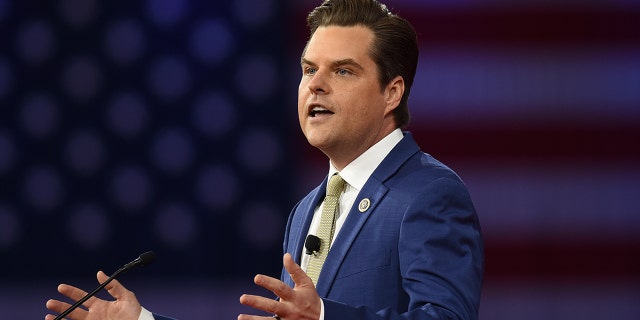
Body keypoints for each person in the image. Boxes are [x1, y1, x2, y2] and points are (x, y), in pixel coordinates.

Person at [45, 0, 483, 319]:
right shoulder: (308, 210)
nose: (316, 85)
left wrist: (325, 317)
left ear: (392, 92)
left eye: (343, 70)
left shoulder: (429, 193)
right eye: (310, 69)